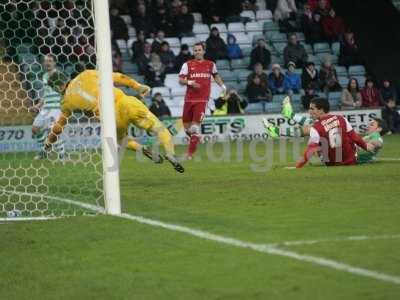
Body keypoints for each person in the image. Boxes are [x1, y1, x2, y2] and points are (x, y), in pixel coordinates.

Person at [45, 70, 184, 173]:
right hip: (125, 102)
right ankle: (170, 153)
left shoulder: (65, 102)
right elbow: (118, 77)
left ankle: (141, 149)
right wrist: (137, 86)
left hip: (112, 119)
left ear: (57, 87)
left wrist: (48, 143)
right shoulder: (86, 74)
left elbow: (58, 128)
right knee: (159, 128)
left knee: (122, 141)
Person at [178, 42, 227, 159]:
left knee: (195, 128)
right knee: (187, 129)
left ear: (204, 51)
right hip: (189, 100)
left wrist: (223, 86)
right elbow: (180, 80)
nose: (197, 52)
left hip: (202, 100)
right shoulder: (187, 64)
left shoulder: (210, 64)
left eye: (199, 50)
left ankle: (189, 154)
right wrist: (190, 82)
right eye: (195, 50)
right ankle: (196, 138)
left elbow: (216, 76)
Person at [295, 97, 372, 168]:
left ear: (321, 110)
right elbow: (355, 137)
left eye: (312, 109)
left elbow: (310, 151)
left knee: (317, 146)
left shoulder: (315, 128)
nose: (309, 111)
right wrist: (365, 146)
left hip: (332, 164)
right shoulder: (342, 119)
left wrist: (298, 166)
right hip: (351, 161)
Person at [31, 54, 65, 160]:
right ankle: (45, 151)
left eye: (50, 60)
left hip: (55, 108)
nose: (47, 63)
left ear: (54, 63)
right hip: (45, 108)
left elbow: (63, 91)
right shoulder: (44, 76)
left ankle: (62, 155)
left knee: (53, 131)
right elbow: (45, 94)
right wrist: (38, 105)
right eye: (46, 61)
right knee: (35, 129)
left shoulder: (58, 75)